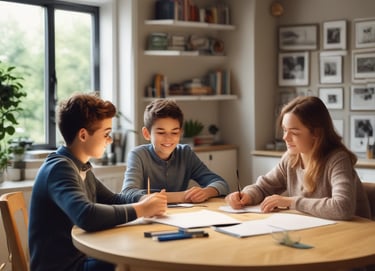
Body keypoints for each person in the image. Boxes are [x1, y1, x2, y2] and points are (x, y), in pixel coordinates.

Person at [28, 93, 167, 271]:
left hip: (79, 258)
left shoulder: (80, 166)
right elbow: (86, 215)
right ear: (83, 135)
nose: (109, 140)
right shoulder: (59, 168)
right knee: (139, 260)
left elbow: (114, 199)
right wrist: (141, 210)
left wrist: (144, 199)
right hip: (64, 267)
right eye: (106, 134)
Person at [226, 96, 371, 220]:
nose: (285, 137)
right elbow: (263, 188)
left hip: (352, 236)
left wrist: (291, 202)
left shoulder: (337, 160)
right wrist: (246, 195)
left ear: (316, 133)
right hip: (315, 230)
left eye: (294, 132)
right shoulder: (291, 158)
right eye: (284, 130)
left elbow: (342, 207)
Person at [121, 98, 229, 203]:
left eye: (174, 132)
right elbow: (127, 193)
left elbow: (221, 184)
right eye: (161, 132)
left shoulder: (185, 153)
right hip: (148, 215)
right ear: (147, 134)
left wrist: (206, 192)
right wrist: (183, 196)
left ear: (181, 132)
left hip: (180, 216)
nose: (168, 138)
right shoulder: (138, 155)